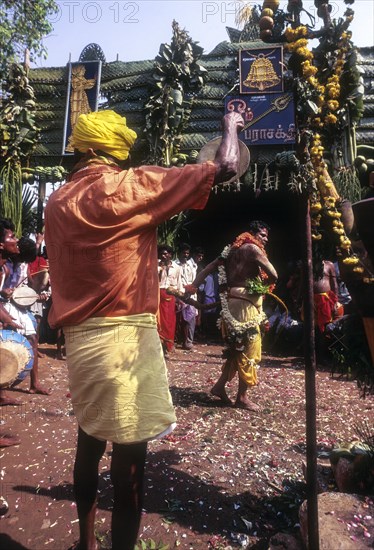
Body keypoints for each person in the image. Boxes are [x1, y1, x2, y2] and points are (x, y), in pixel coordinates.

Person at [44, 108, 244, 550]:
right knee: (130, 461)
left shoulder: (56, 203)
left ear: (82, 148)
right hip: (126, 337)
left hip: (79, 343)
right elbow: (226, 166)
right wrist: (230, 126)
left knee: (89, 437)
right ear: (110, 152)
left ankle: (84, 541)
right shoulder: (130, 186)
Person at [190, 221, 278, 411]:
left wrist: (192, 288)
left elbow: (207, 269)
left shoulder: (229, 251)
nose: (265, 240)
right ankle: (242, 398)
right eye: (263, 235)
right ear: (253, 234)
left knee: (236, 347)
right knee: (250, 348)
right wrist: (264, 286)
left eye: (266, 237)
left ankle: (219, 387)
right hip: (246, 303)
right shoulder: (253, 249)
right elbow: (274, 274)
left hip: (232, 300)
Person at [157, 244, 183, 354]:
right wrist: (160, 269)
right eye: (161, 254)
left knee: (170, 321)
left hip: (171, 296)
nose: (163, 256)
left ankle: (169, 344)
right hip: (158, 296)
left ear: (170, 255)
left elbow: (179, 283)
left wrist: (180, 298)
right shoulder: (155, 266)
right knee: (159, 321)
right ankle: (160, 346)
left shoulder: (177, 268)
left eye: (165, 254)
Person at [176, 243, 198, 350]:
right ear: (179, 253)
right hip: (178, 295)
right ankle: (179, 340)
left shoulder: (192, 266)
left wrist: (192, 288)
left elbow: (194, 280)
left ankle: (189, 341)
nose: (185, 255)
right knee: (179, 320)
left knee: (190, 318)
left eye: (187, 253)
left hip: (190, 296)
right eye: (183, 253)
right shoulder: (174, 264)